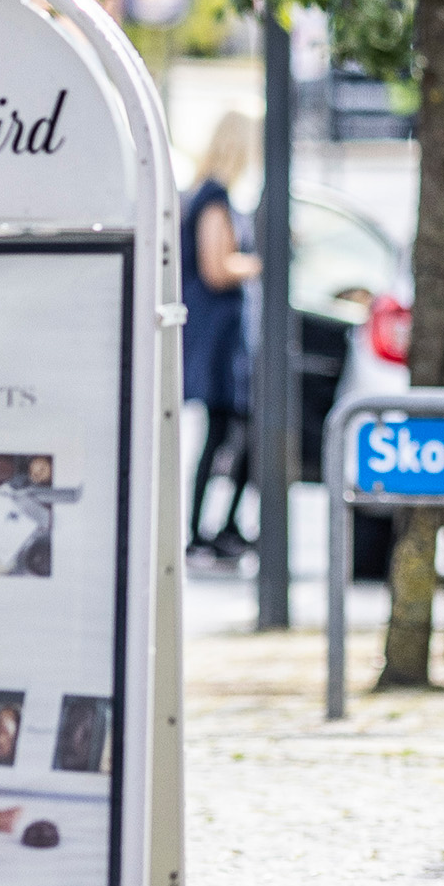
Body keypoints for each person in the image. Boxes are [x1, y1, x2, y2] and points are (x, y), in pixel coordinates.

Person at [182, 111, 263, 562]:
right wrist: (260, 263)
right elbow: (216, 268)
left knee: (232, 431)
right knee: (221, 433)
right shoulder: (214, 198)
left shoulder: (211, 195)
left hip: (220, 333)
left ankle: (223, 525)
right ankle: (200, 531)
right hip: (217, 335)